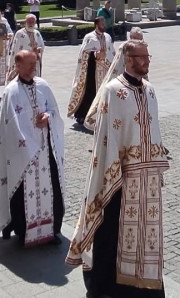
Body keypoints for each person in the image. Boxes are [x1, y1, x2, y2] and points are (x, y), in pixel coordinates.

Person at [66, 40, 168, 297]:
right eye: (142, 57)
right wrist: (113, 171)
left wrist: (157, 160)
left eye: (148, 56)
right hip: (119, 176)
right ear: (128, 59)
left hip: (146, 179)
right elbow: (106, 137)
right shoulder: (113, 91)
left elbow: (153, 130)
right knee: (111, 231)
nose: (146, 61)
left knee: (145, 234)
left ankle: (142, 282)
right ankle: (106, 285)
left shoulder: (151, 90)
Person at [0, 50, 66, 247]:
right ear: (18, 66)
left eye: (35, 63)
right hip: (23, 155)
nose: (34, 68)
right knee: (21, 192)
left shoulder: (43, 85)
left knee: (52, 188)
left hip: (45, 151)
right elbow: (9, 126)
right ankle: (23, 231)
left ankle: (51, 230)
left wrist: (48, 117)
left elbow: (54, 110)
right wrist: (28, 147)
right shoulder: (11, 91)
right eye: (30, 64)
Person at [83, 27, 145, 130]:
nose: (140, 42)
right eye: (138, 39)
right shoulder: (124, 48)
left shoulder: (141, 48)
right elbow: (117, 66)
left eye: (141, 39)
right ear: (131, 37)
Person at [67, 17, 114, 126]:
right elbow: (83, 54)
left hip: (105, 71)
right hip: (92, 72)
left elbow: (112, 52)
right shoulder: (89, 37)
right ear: (96, 24)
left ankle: (102, 116)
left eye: (104, 23)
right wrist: (95, 54)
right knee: (90, 93)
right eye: (102, 23)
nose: (104, 25)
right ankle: (83, 116)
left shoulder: (107, 37)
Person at [7, 14, 44, 80]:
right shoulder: (20, 33)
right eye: (29, 21)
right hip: (23, 64)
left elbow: (42, 46)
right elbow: (15, 49)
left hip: (34, 63)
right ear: (25, 22)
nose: (31, 23)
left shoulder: (37, 33)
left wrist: (39, 50)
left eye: (33, 22)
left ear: (35, 23)